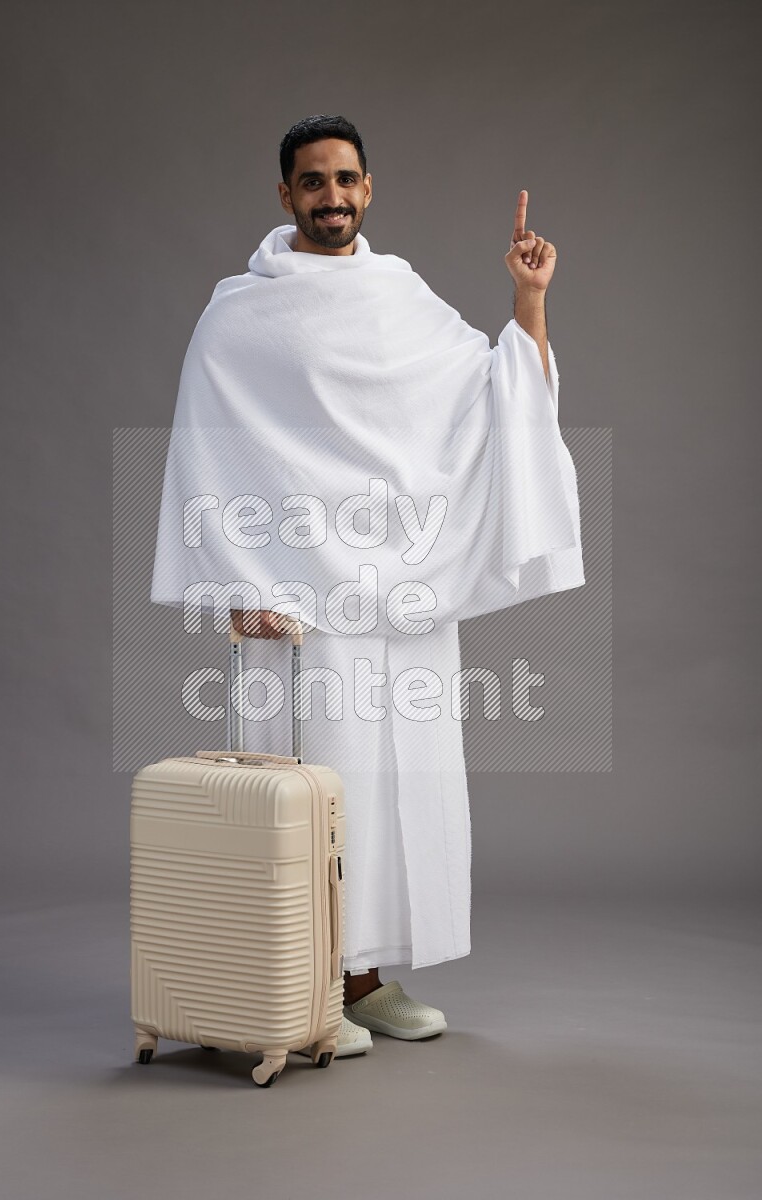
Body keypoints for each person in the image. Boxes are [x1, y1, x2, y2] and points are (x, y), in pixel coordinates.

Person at [150, 114, 583, 1059]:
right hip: (292, 605)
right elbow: (207, 452)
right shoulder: (237, 315)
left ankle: (368, 978)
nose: (333, 198)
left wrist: (529, 298)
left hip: (398, 597)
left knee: (396, 790)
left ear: (369, 189)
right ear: (285, 196)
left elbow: (492, 396)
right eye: (314, 183)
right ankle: (299, 989)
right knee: (310, 793)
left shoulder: (400, 297)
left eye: (346, 180)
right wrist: (231, 588)